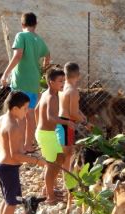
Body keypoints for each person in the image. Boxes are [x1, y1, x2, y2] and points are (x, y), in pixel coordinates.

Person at [0, 12, 50, 153]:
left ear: (22, 24)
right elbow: (48, 55)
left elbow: (18, 56)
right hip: (34, 82)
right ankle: (28, 145)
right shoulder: (39, 40)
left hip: (21, 81)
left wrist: (5, 73)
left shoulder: (20, 36)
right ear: (35, 24)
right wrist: (42, 69)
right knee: (30, 115)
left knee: (20, 116)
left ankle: (19, 146)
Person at [57, 62, 93, 213]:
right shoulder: (73, 91)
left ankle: (67, 191)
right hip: (67, 126)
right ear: (78, 76)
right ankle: (68, 193)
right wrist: (85, 122)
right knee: (67, 162)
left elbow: (74, 110)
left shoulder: (63, 88)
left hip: (62, 125)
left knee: (68, 159)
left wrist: (83, 118)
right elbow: (73, 113)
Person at [35, 68, 75, 205]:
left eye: (64, 80)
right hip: (47, 135)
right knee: (52, 165)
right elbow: (50, 117)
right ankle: (50, 196)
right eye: (60, 81)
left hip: (46, 133)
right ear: (51, 82)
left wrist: (38, 126)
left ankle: (47, 190)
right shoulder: (52, 97)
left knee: (59, 159)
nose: (63, 83)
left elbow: (36, 110)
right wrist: (67, 122)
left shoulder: (46, 93)